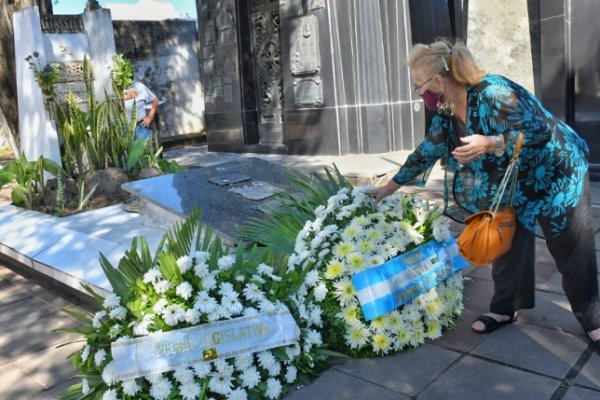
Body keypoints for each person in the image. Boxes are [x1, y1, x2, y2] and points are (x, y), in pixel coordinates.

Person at [370, 38, 600, 347]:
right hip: (516, 180)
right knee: (504, 241)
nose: (420, 94)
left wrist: (491, 143)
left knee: (571, 248)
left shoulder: (494, 92)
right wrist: (388, 187)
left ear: (438, 80)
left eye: (418, 86)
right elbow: (427, 151)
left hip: (557, 171)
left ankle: (594, 321)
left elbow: (540, 131)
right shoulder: (448, 109)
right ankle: (504, 310)